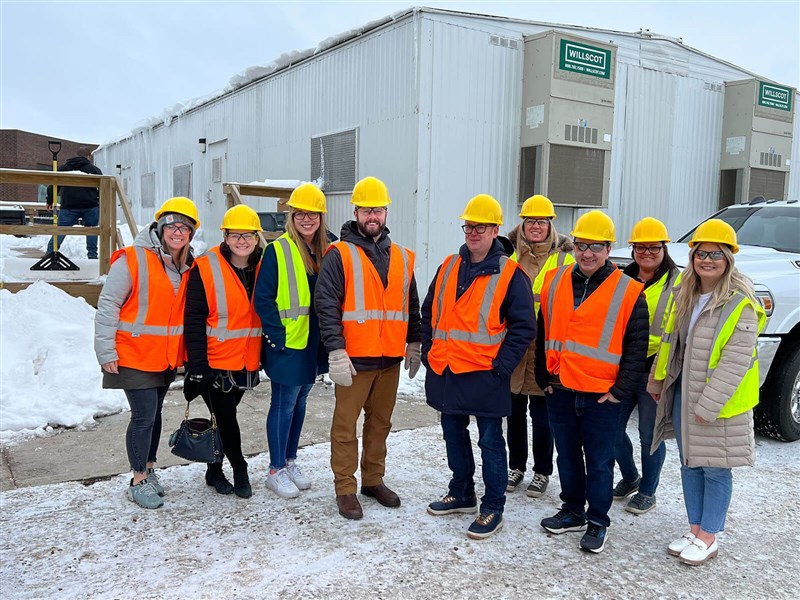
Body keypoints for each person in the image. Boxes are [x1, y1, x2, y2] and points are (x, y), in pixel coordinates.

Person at [648, 219, 764, 566]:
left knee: (714, 467)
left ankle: (709, 536)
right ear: (693, 256)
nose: (707, 260)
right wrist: (658, 381)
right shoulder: (686, 294)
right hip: (684, 392)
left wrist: (709, 405)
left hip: (718, 402)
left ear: (728, 258)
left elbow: (735, 361)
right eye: (701, 253)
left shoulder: (740, 302)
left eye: (715, 254)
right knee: (690, 463)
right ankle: (694, 528)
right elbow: (670, 343)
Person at [534, 210, 649, 553]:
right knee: (567, 457)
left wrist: (619, 392)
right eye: (581, 245)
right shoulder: (554, 280)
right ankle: (572, 510)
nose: (586, 253)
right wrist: (544, 376)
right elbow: (544, 333)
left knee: (599, 462)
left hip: (602, 396)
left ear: (609, 248)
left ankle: (597, 520)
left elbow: (636, 348)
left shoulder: (629, 291)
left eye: (595, 247)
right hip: (562, 388)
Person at [423, 194, 535, 540]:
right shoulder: (448, 266)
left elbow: (524, 328)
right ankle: (461, 492)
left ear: (495, 230)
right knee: (452, 435)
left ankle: (493, 506)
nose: (473, 233)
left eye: (480, 227)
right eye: (469, 226)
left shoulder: (510, 274)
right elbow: (429, 313)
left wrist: (501, 367)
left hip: (486, 375)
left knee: (490, 442)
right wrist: (429, 350)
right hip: (447, 371)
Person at [315, 176, 421, 520]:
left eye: (377, 209)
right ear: (356, 212)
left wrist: (415, 342)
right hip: (354, 360)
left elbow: (412, 304)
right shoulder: (340, 254)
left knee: (381, 423)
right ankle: (345, 487)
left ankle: (373, 480)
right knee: (345, 426)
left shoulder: (402, 257)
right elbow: (326, 304)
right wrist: (335, 350)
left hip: (389, 359)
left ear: (386, 212)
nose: (372, 216)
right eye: (366, 210)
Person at [94, 196, 199, 509]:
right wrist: (105, 351)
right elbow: (109, 304)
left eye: (185, 227)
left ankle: (150, 469)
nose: (178, 232)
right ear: (160, 226)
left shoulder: (188, 264)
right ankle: (138, 479)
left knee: (154, 418)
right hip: (132, 353)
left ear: (192, 233)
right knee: (143, 417)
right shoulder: (132, 258)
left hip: (164, 357)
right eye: (172, 225)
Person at [254, 183, 330, 499]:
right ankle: (275, 469)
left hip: (315, 343)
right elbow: (263, 299)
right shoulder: (278, 249)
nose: (307, 219)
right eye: (300, 213)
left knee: (300, 404)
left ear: (321, 217)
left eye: (313, 214)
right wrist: (278, 338)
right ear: (292, 216)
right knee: (283, 405)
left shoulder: (329, 248)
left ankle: (290, 460)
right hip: (288, 343)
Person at [183, 204, 264, 499]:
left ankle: (213, 469)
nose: (241, 241)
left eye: (247, 235)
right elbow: (192, 320)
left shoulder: (263, 267)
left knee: (222, 416)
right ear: (226, 237)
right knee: (227, 416)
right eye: (235, 235)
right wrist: (198, 365)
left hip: (246, 359)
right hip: (214, 361)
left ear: (257, 237)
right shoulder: (205, 267)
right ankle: (239, 469)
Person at [505, 195, 574, 499]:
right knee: (514, 411)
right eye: (530, 221)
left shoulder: (565, 259)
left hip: (547, 345)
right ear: (523, 223)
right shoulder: (508, 254)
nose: (535, 226)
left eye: (541, 222)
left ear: (550, 225)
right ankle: (516, 466)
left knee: (543, 415)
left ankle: (542, 471)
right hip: (513, 343)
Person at [612, 218, 679, 514]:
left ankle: (648, 491)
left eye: (653, 247)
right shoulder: (621, 279)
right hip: (622, 367)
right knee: (610, 429)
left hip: (655, 370)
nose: (646, 253)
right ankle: (630, 477)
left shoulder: (679, 283)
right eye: (640, 247)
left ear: (664, 248)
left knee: (650, 435)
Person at [46, 145, 102, 259]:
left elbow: (53, 185)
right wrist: (100, 202)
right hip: (90, 206)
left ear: (77, 155)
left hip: (69, 206)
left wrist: (50, 200)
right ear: (89, 156)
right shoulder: (94, 170)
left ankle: (50, 253)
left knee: (61, 229)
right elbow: (103, 187)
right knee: (91, 230)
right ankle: (92, 256)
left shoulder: (64, 168)